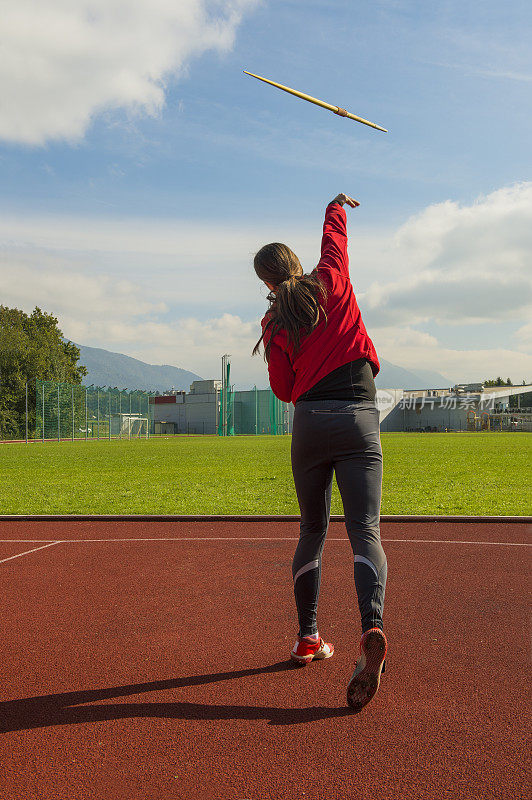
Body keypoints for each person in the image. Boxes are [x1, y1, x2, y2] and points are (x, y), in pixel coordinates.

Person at [251, 193, 387, 712]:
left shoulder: (273, 323)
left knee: (312, 531)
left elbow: (284, 390)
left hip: (309, 424)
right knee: (364, 530)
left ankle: (308, 638)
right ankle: (371, 626)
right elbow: (336, 239)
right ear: (298, 264)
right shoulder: (332, 278)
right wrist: (337, 206)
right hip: (358, 416)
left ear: (266, 282)